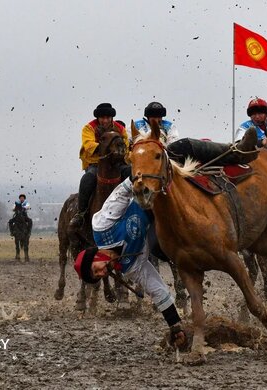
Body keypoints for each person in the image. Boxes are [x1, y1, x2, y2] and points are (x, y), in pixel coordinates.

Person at [74, 178, 186, 347]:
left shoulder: (102, 227)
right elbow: (157, 290)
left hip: (148, 191)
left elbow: (121, 193)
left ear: (93, 257)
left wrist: (137, 175)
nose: (102, 274)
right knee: (159, 249)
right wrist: (175, 327)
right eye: (98, 277)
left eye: (95, 270)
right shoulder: (130, 267)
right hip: (158, 220)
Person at [69, 103, 130, 228]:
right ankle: (81, 213)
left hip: (116, 164)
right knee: (88, 178)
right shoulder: (89, 128)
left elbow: (126, 145)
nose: (105, 120)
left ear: (112, 118)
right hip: (95, 163)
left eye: (108, 117)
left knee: (131, 173)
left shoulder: (120, 129)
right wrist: (108, 148)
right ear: (98, 118)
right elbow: (88, 144)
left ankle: (139, 206)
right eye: (102, 118)